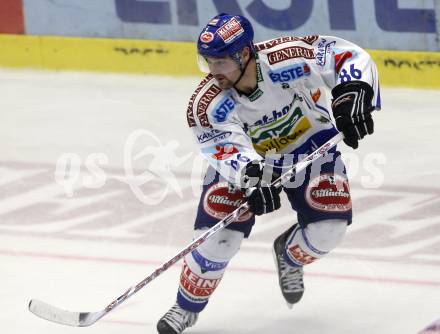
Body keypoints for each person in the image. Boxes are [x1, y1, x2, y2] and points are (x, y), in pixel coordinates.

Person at [157, 13, 381, 334]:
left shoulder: (286, 56)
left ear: (244, 54)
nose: (213, 72)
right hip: (249, 162)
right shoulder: (206, 104)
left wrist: (353, 90)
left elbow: (346, 56)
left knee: (328, 230)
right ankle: (186, 306)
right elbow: (221, 145)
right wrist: (250, 176)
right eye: (208, 62)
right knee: (220, 240)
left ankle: (289, 256)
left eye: (221, 62)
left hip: (309, 147)